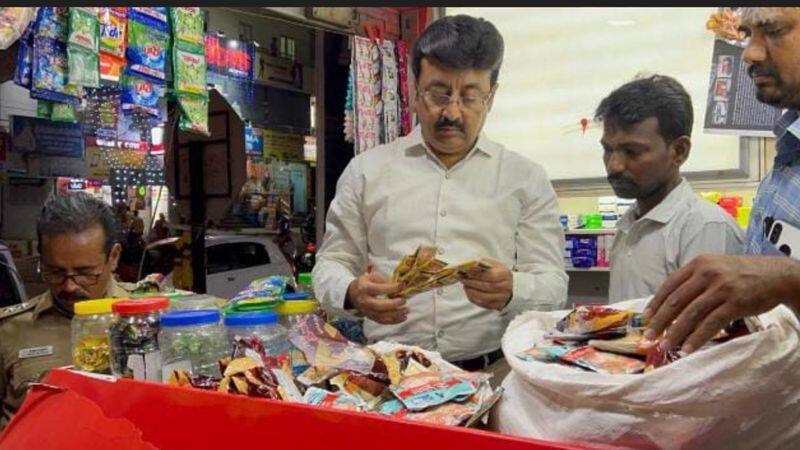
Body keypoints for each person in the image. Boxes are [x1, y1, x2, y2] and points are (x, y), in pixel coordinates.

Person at [313, 14, 567, 383]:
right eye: (439, 93)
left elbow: (554, 285)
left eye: (470, 96)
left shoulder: (525, 178)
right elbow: (330, 264)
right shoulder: (366, 171)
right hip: (391, 377)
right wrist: (351, 292)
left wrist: (514, 287)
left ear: (491, 97)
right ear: (416, 90)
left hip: (492, 374)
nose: (451, 112)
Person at [645, 7, 800, 354]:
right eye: (747, 34)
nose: (750, 52)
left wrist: (790, 280)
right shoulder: (790, 144)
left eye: (772, 31)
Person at [595, 75, 745, 301]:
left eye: (632, 152)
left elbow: (708, 331)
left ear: (679, 151)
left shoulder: (705, 227)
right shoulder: (629, 225)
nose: (614, 165)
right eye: (608, 149)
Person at [0, 192, 133, 429]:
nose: (70, 286)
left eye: (84, 272)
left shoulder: (148, 321)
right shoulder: (9, 330)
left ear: (113, 257)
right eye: (55, 272)